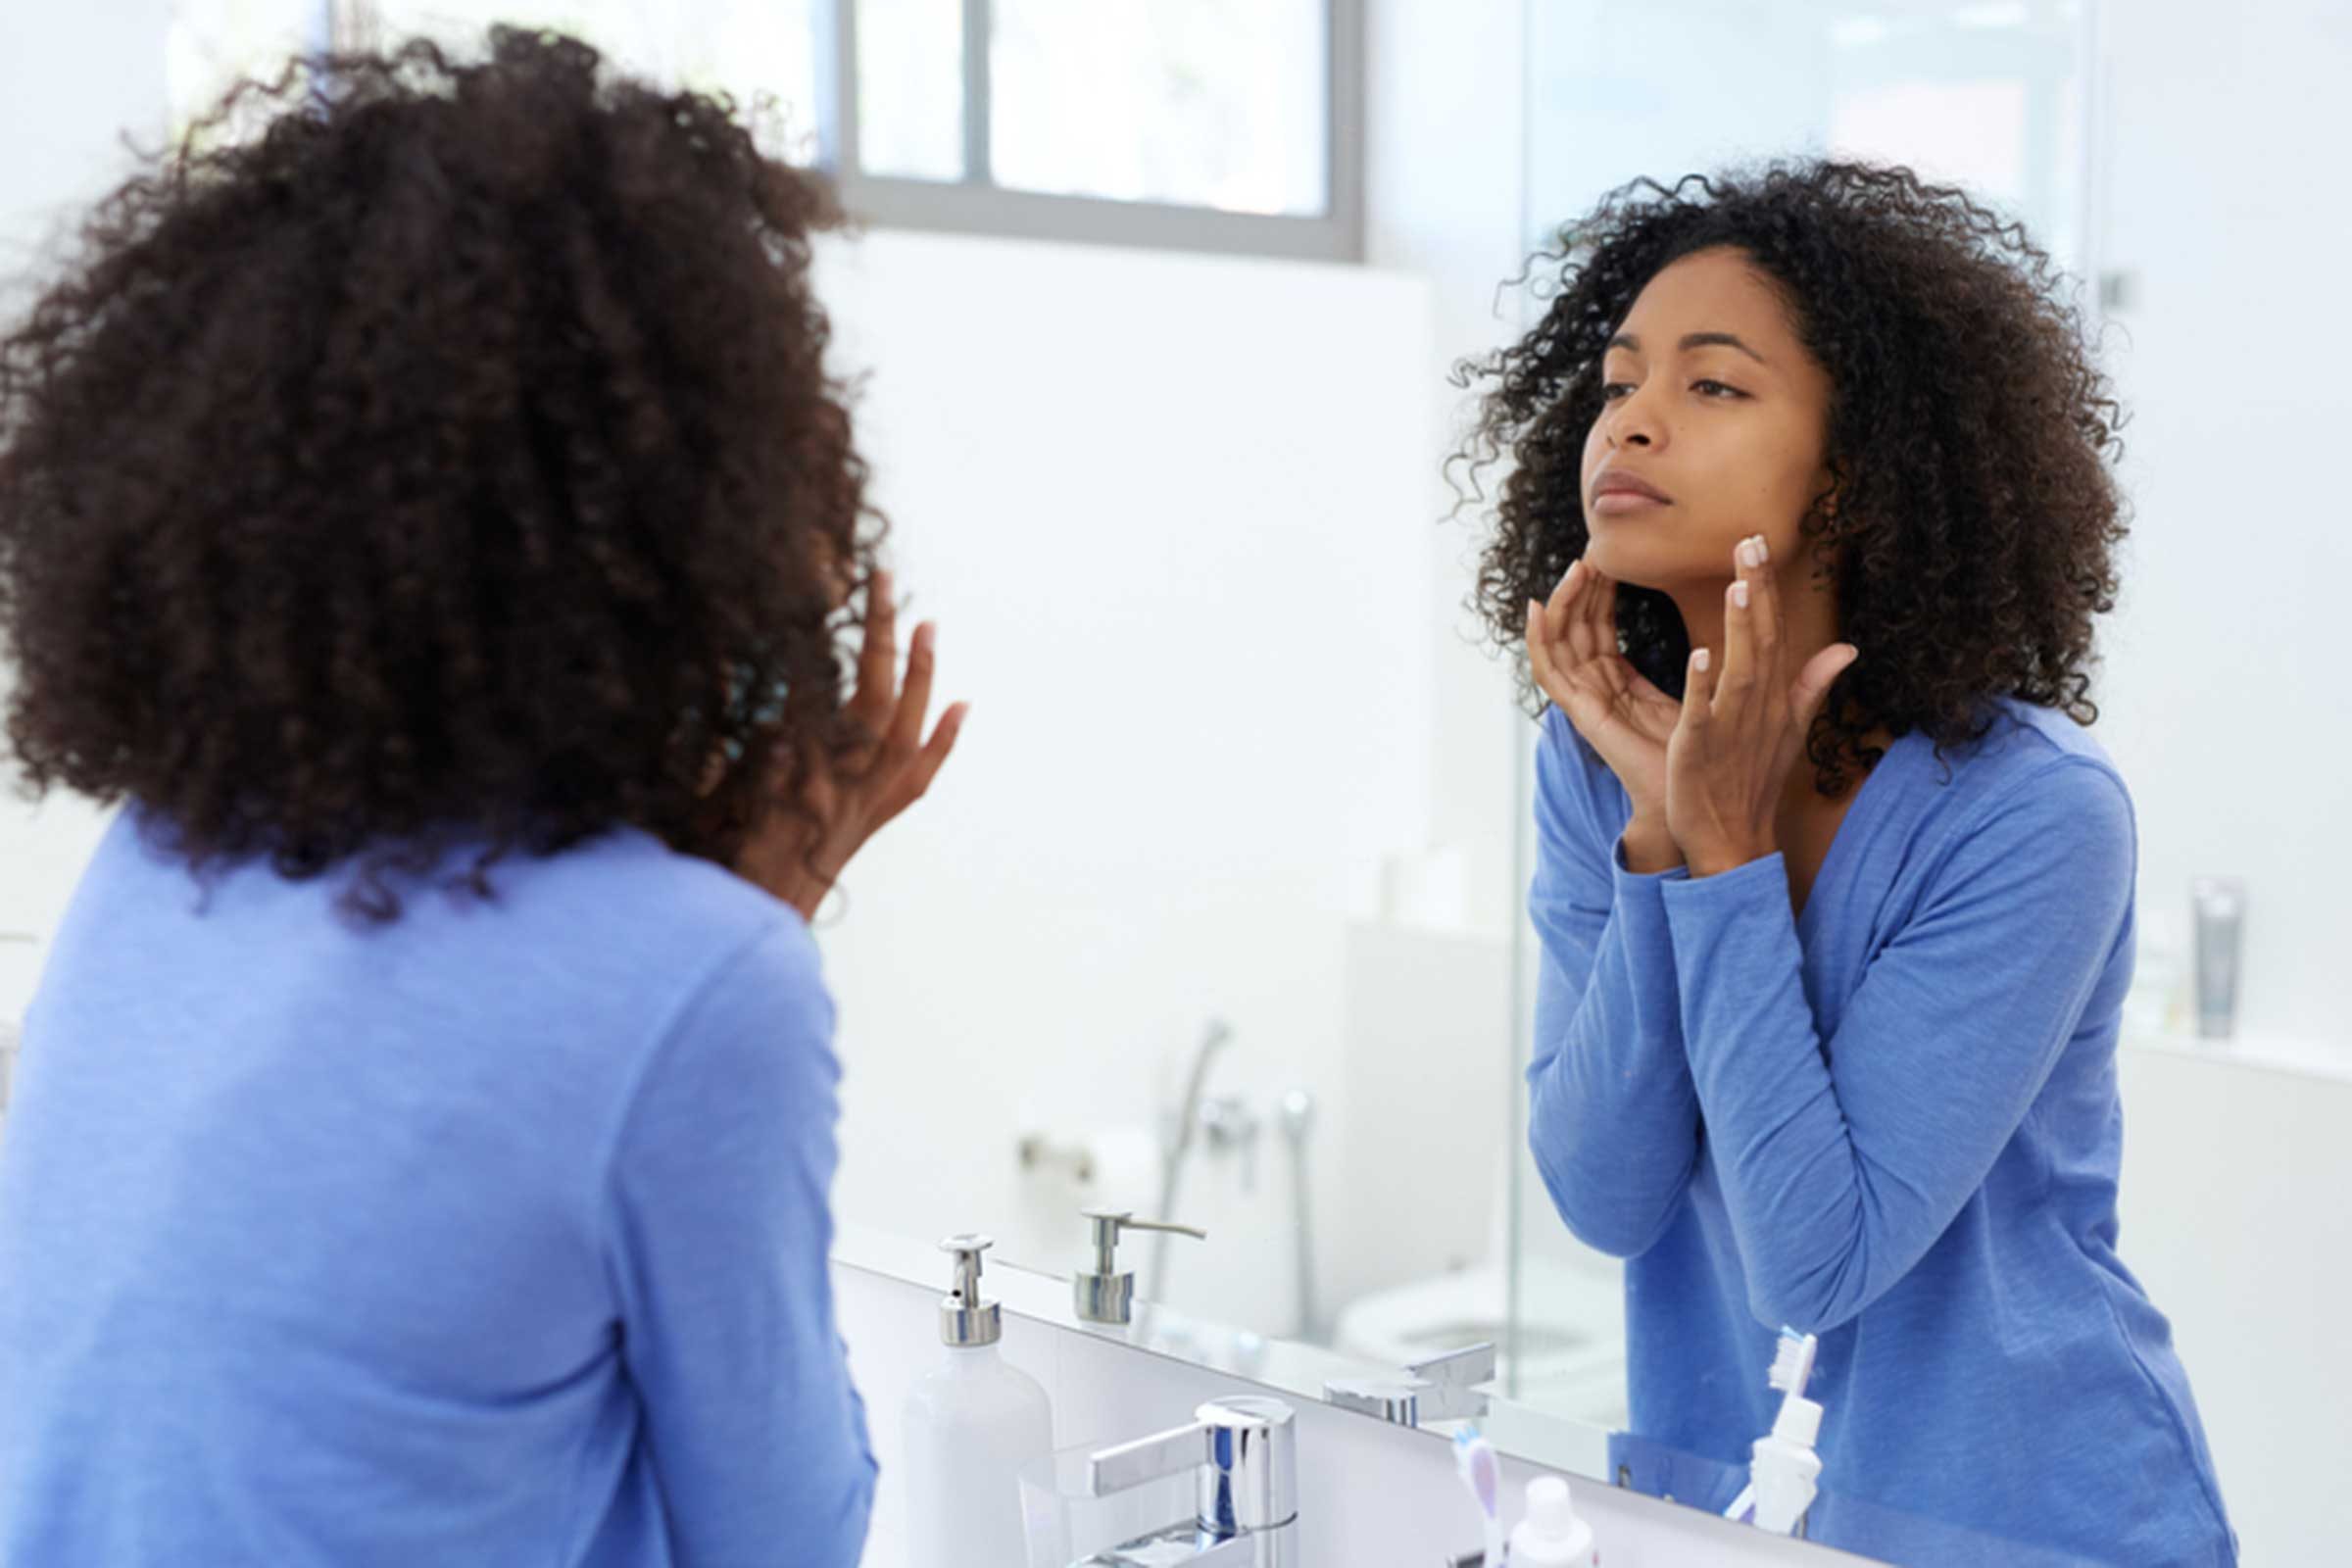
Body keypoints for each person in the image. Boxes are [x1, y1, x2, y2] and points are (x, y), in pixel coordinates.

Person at [0, 30, 957, 1567]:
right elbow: (784, 1543)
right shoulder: (705, 982)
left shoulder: (155, 862)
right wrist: (757, 918)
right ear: (678, 521)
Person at [1459, 161, 2235, 1566]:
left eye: (1713, 386)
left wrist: (1731, 855)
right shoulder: (1594, 768)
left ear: (1855, 476)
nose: (1630, 416)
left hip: (2026, 1520)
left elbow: (1817, 1264)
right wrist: (1659, 839)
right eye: (1620, 379)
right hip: (1726, 1516)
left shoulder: (2029, 814)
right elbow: (1603, 1195)